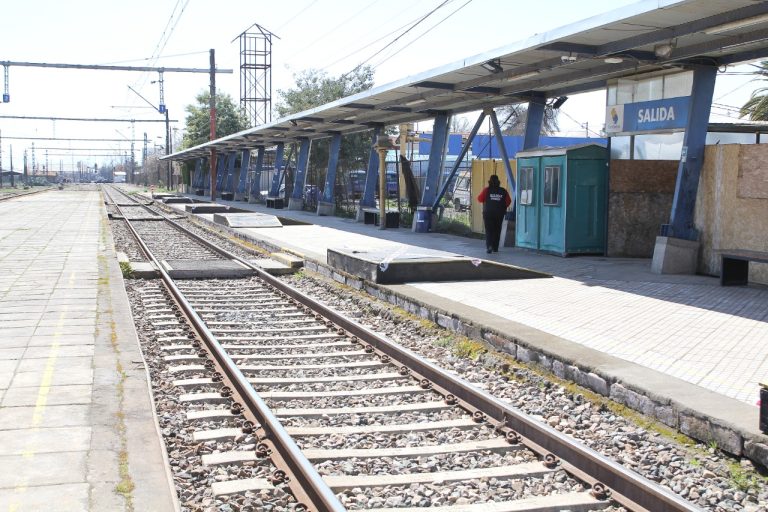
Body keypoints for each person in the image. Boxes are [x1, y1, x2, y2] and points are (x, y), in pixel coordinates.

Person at [477, 174, 511, 254]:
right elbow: (508, 201)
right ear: (498, 182)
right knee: (497, 230)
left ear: (489, 182)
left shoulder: (486, 190)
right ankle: (495, 248)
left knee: (489, 230)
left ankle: (489, 246)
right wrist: (501, 205)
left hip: (488, 213)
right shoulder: (503, 191)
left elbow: (479, 199)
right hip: (499, 214)